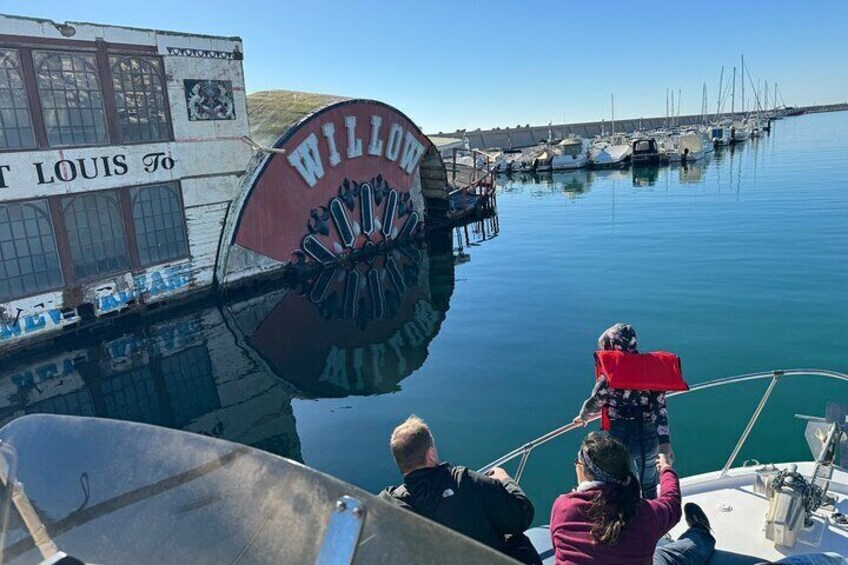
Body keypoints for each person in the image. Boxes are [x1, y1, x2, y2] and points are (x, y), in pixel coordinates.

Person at [380, 415, 540, 564]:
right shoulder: (464, 481)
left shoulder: (389, 503)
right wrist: (504, 479)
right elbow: (521, 517)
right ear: (430, 453)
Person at [550, 432, 715, 565]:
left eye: (577, 462)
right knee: (672, 556)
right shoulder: (646, 513)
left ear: (584, 470)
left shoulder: (563, 507)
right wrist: (666, 468)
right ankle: (701, 532)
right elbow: (671, 504)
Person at [573, 323, 687, 499]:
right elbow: (660, 410)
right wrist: (665, 444)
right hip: (649, 439)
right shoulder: (651, 371)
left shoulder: (609, 377)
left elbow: (595, 403)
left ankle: (631, 519)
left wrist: (583, 416)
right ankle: (651, 516)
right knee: (649, 484)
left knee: (626, 484)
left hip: (620, 439)